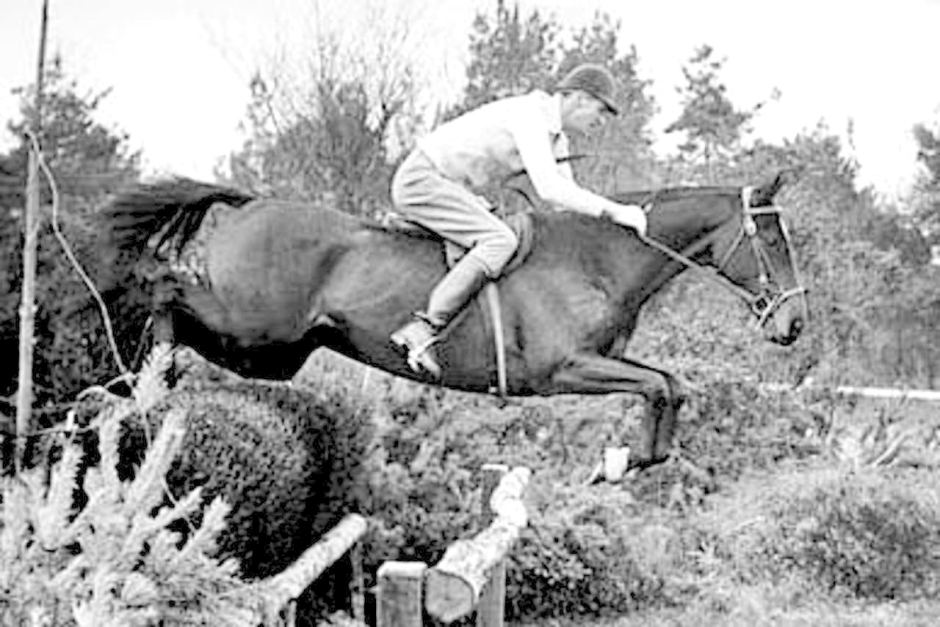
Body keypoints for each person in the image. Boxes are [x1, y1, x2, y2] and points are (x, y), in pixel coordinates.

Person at [389, 63, 648, 379]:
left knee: (507, 237)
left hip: (453, 187)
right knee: (500, 240)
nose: (600, 120)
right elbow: (549, 188)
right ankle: (423, 327)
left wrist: (615, 227)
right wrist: (616, 210)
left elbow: (565, 198)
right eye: (600, 109)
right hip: (423, 180)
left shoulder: (557, 140)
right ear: (579, 98)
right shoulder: (531, 116)